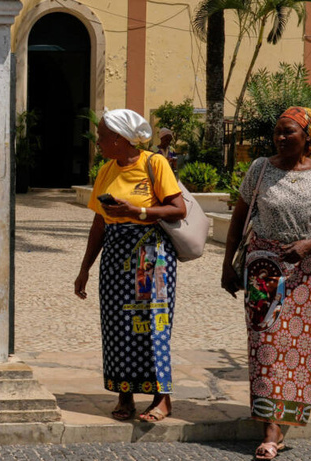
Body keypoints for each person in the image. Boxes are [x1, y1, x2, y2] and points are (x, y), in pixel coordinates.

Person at [220, 106, 311, 460]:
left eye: (289, 131)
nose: (280, 137)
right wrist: (228, 266)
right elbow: (238, 219)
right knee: (265, 344)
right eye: (278, 131)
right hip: (264, 267)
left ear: (308, 138)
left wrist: (308, 245)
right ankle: (270, 428)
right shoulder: (260, 168)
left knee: (302, 348)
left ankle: (286, 419)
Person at [74, 109, 187, 423]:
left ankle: (161, 398)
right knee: (117, 326)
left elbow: (177, 209)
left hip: (151, 256)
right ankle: (125, 394)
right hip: (114, 258)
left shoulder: (154, 163)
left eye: (101, 135)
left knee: (154, 322)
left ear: (119, 138)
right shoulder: (106, 170)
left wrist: (135, 210)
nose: (97, 141)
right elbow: (99, 221)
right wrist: (85, 268)